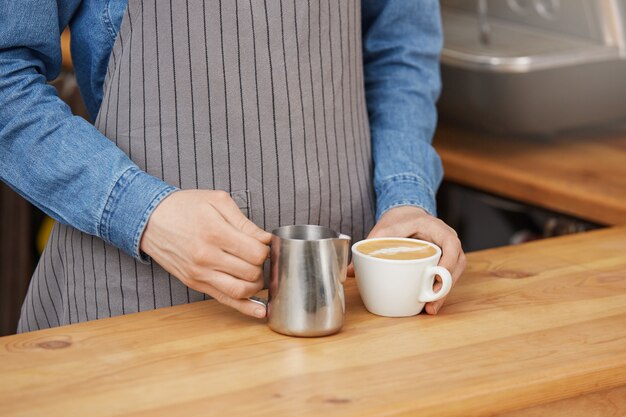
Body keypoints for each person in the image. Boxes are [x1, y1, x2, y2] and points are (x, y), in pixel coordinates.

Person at [0, 0, 465, 332]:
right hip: (137, 309)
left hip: (345, 305)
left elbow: (400, 52)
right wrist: (143, 213)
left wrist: (406, 197)